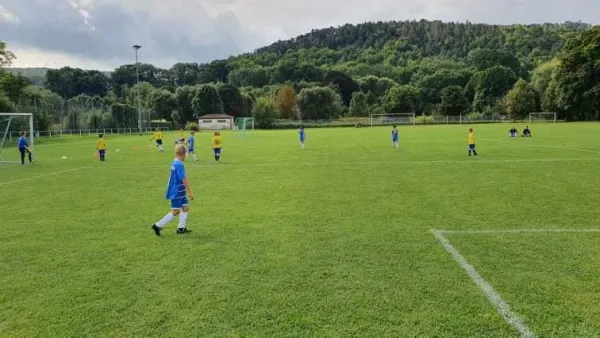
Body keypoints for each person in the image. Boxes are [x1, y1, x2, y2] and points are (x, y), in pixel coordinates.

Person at [151, 144, 194, 236]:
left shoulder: (175, 162)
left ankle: (181, 229)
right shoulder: (179, 164)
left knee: (185, 208)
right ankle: (157, 225)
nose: (187, 156)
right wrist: (190, 192)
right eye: (186, 154)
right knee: (176, 211)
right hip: (177, 191)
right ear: (183, 153)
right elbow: (184, 179)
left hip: (180, 191)